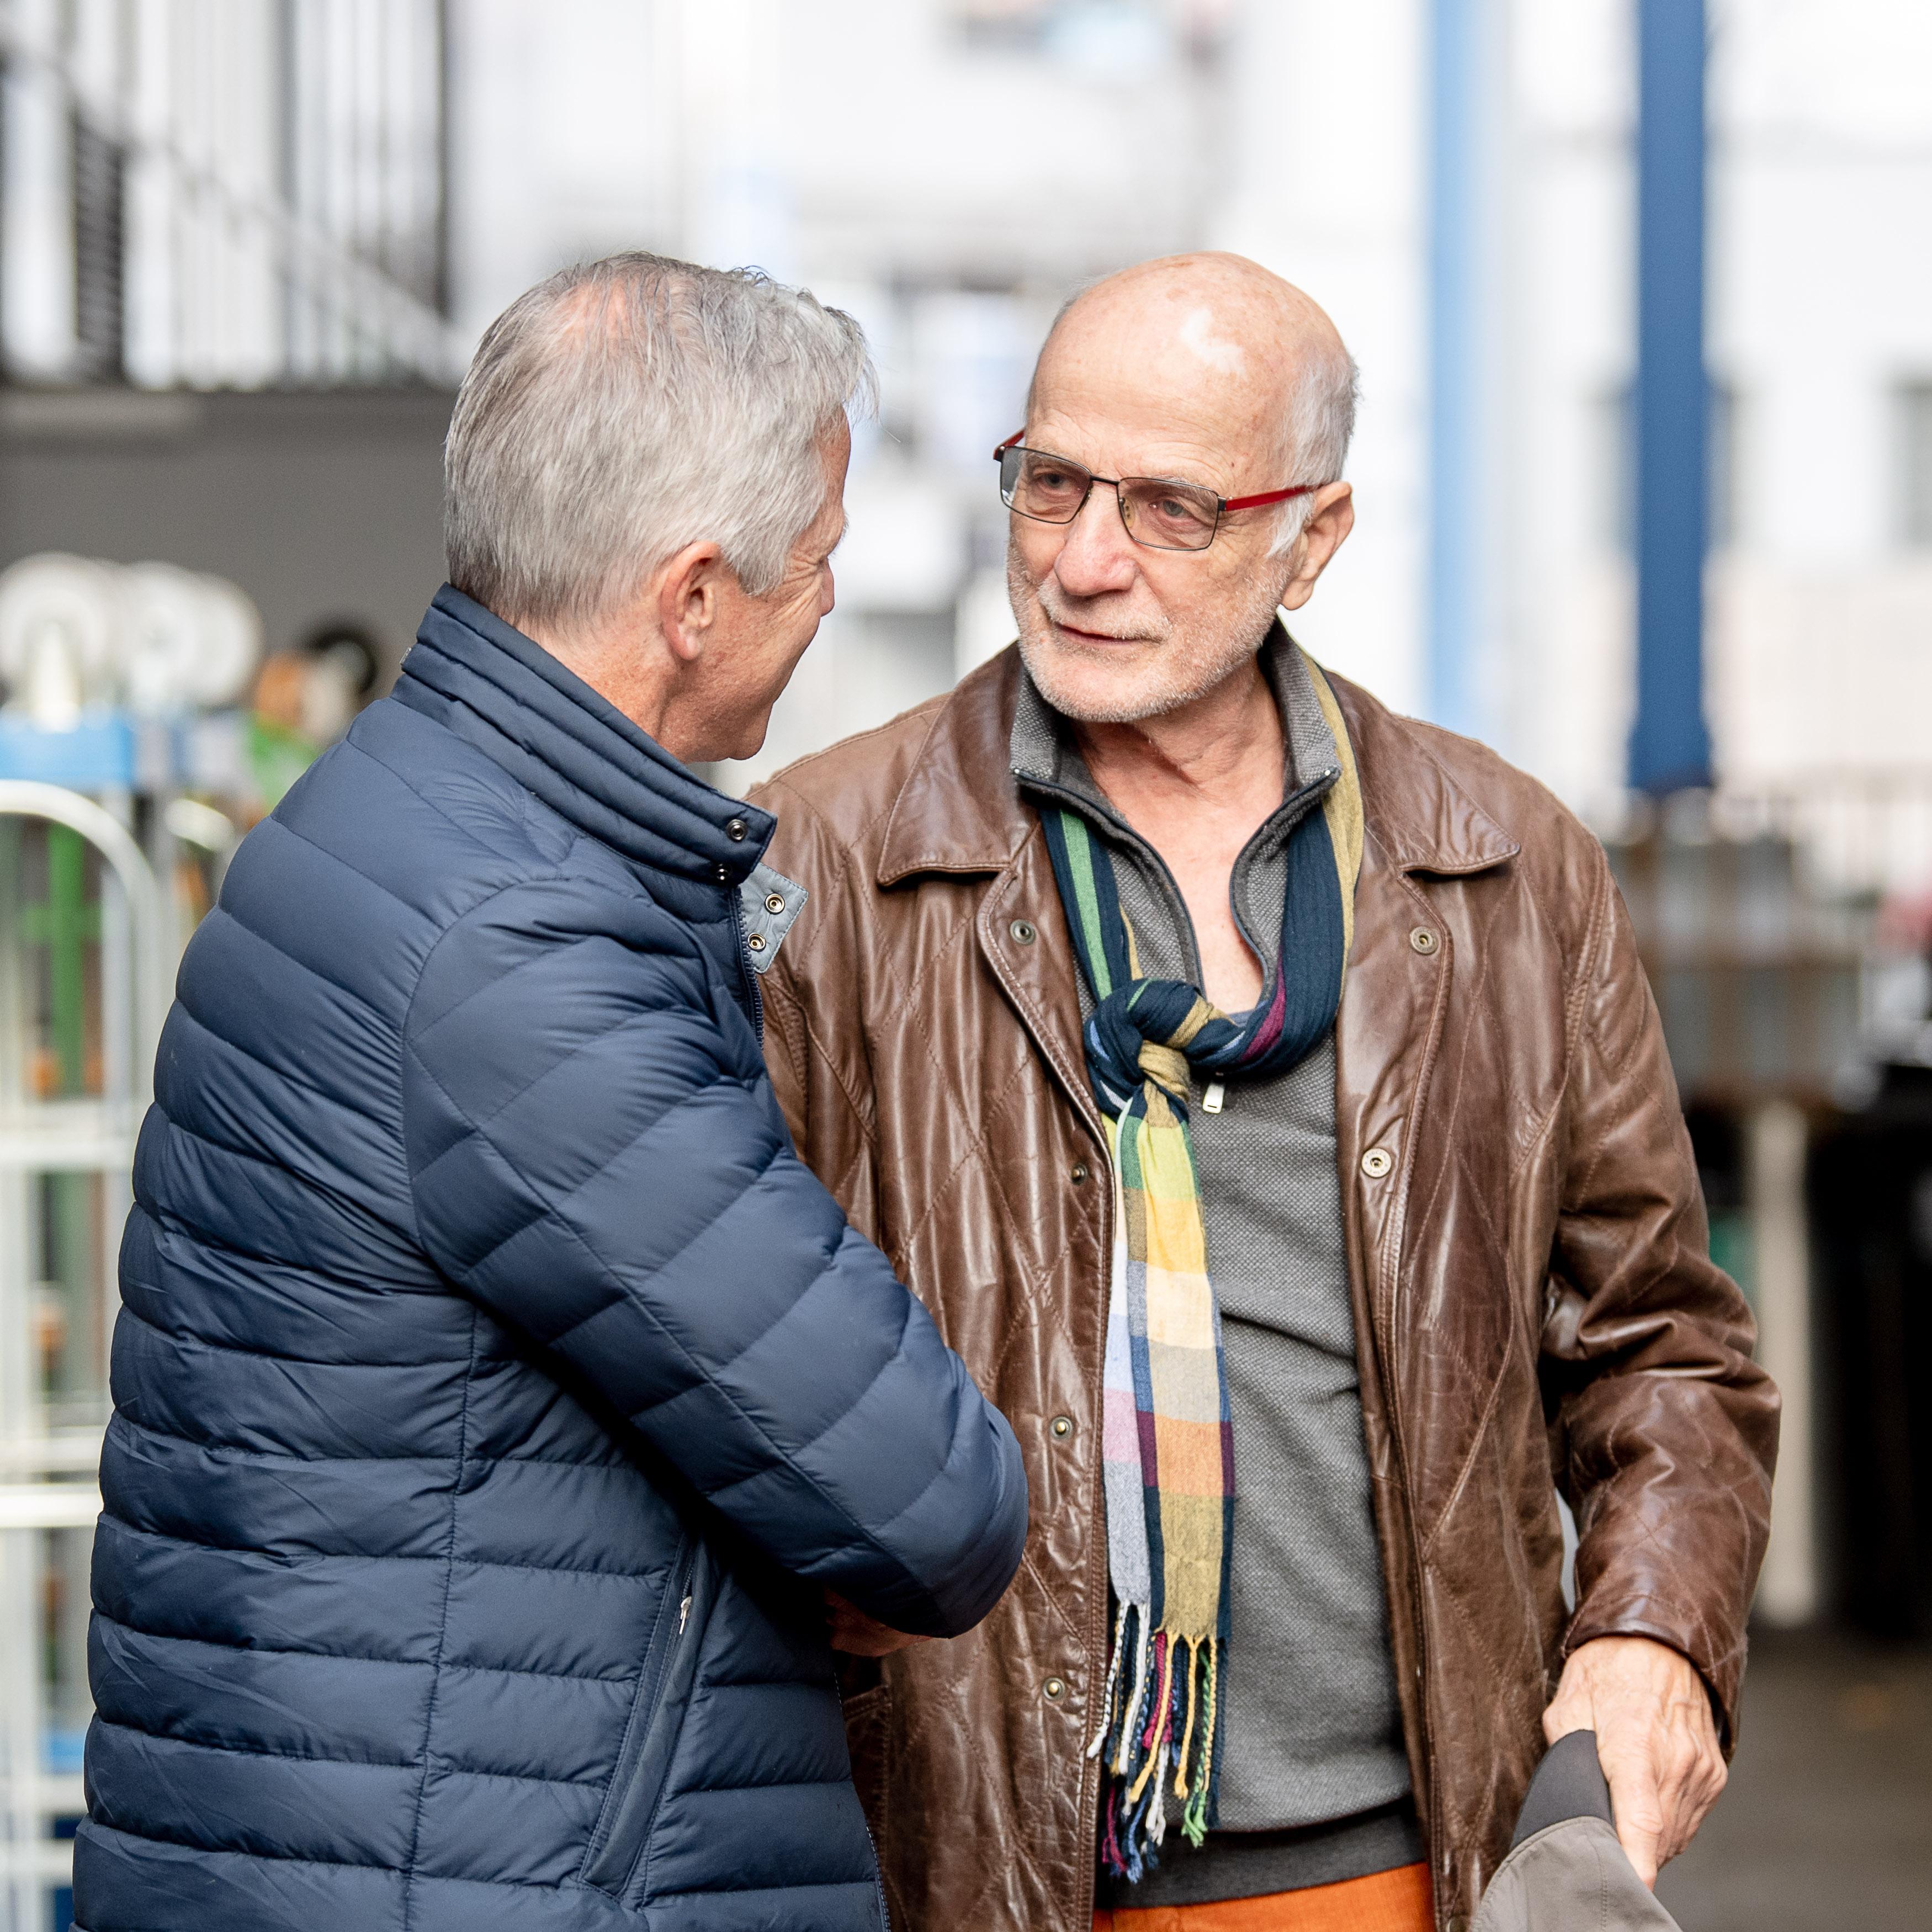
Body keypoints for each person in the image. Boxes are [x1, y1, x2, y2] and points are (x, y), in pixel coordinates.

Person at [751, 252, 1778, 1932]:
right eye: (1053, 481)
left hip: (1396, 1855)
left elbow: (1662, 1345)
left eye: (1171, 508)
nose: (1083, 560)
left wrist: (1653, 1633)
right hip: (958, 1853)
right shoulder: (830, 868)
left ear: (1314, 536)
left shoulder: (1500, 868)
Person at [75, 254, 1028, 1932]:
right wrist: (832, 1544)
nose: (826, 598)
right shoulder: (517, 948)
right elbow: (927, 1497)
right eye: (817, 558)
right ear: (693, 599)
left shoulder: (406, 812)